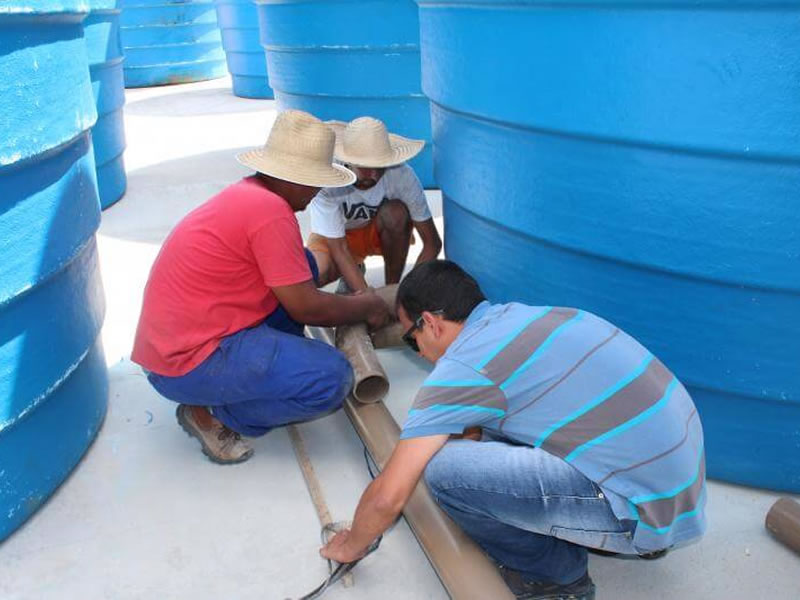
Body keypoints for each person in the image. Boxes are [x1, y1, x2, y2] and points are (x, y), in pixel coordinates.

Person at [321, 260, 707, 600]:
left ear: (431, 324)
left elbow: (389, 496)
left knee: (445, 472)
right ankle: (620, 527)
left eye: (412, 339)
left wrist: (352, 545)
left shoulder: (463, 368)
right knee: (492, 430)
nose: (418, 352)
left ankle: (555, 575)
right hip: (679, 485)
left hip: (640, 511)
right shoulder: (529, 317)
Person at [131, 110, 391, 464]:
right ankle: (214, 414)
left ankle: (247, 379)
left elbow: (302, 284)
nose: (317, 192)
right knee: (332, 378)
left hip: (171, 348)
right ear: (294, 178)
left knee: (303, 266)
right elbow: (307, 307)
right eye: (315, 182)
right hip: (186, 363)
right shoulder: (271, 213)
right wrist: (368, 304)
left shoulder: (250, 195)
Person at [307, 116, 442, 292]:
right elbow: (339, 248)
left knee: (396, 213)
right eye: (365, 166)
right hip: (333, 238)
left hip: (374, 231)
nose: (373, 175)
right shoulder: (328, 177)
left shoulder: (401, 174)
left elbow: (432, 243)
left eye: (380, 166)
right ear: (348, 161)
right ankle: (353, 271)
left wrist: (405, 295)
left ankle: (391, 287)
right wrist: (368, 299)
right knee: (317, 272)